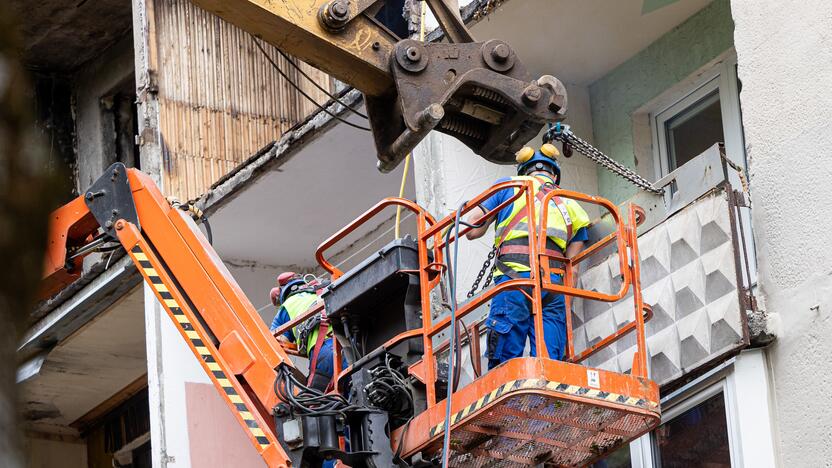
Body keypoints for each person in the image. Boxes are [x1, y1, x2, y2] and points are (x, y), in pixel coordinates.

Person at [465, 143, 591, 369]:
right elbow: (574, 258)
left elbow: (473, 229)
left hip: (515, 280)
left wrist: (466, 212)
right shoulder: (570, 204)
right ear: (554, 175)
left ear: (524, 171)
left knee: (506, 364)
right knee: (549, 364)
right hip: (554, 286)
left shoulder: (508, 187)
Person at [269, 272, 337, 392]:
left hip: (325, 352)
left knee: (315, 405)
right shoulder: (323, 292)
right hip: (351, 345)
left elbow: (274, 345)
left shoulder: (286, 307)